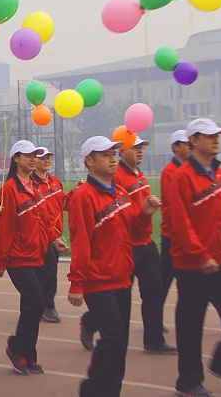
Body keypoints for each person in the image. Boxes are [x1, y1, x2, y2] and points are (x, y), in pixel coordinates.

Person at [170, 118, 221, 397]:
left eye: (218, 135)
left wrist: (219, 252)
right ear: (193, 140)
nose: (216, 140)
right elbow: (181, 223)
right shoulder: (182, 177)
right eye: (210, 136)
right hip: (193, 264)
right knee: (190, 325)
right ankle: (189, 381)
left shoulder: (218, 172)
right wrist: (200, 254)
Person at [68, 136, 154, 396]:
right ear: (89, 161)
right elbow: (80, 242)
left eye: (113, 154)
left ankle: (108, 390)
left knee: (120, 342)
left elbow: (134, 229)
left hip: (122, 277)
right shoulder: (83, 197)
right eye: (105, 155)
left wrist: (146, 212)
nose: (113, 158)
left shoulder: (119, 192)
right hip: (99, 281)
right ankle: (92, 389)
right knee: (114, 338)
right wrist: (77, 283)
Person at [0, 140, 67, 376]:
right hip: (18, 257)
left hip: (37, 253)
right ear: (15, 158)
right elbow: (5, 226)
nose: (33, 159)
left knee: (32, 306)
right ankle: (16, 348)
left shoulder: (36, 187)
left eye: (34, 155)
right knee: (36, 301)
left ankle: (28, 355)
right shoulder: (9, 188)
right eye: (28, 155)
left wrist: (53, 238)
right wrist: (1, 259)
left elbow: (43, 220)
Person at [112, 136, 175, 355]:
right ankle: (91, 322)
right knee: (120, 296)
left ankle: (154, 339)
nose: (140, 151)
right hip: (127, 245)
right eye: (135, 147)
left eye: (142, 147)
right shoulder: (116, 177)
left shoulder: (141, 175)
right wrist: (143, 212)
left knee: (155, 290)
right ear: (121, 151)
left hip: (146, 242)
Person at [158, 130, 190, 328]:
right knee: (162, 284)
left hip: (186, 236)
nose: (190, 147)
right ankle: (154, 322)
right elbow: (174, 207)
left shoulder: (190, 170)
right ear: (175, 147)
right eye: (185, 144)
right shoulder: (171, 172)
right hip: (173, 236)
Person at [31, 147, 65, 324]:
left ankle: (40, 303)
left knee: (50, 270)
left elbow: (63, 202)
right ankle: (47, 305)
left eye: (49, 157)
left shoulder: (54, 181)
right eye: (42, 158)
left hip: (56, 234)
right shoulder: (31, 184)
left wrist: (76, 193)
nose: (47, 161)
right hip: (42, 235)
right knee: (48, 269)